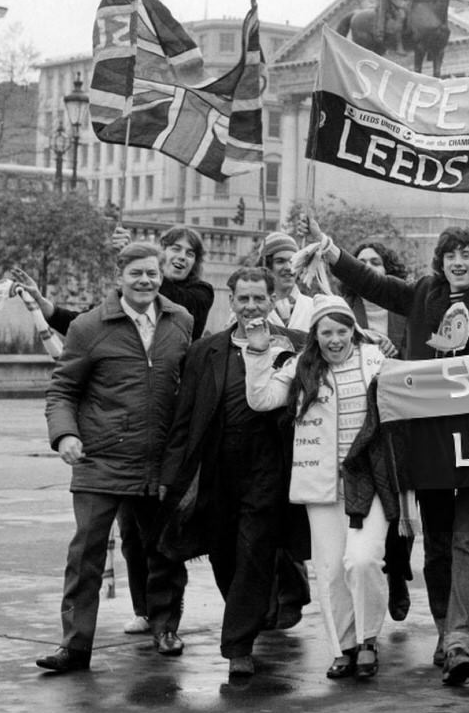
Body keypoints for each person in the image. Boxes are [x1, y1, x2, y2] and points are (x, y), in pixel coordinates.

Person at [319, 209, 469, 684]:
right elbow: (376, 285)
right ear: (439, 262)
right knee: (438, 545)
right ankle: (445, 632)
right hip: (432, 441)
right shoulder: (422, 294)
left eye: (466, 254)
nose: (458, 261)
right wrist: (333, 252)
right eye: (450, 255)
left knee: (468, 541)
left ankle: (461, 642)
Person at [36, 241, 191, 672]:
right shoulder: (90, 326)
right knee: (85, 554)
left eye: (152, 274)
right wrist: (65, 435)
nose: (145, 281)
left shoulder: (181, 321)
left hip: (159, 461)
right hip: (100, 459)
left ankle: (165, 629)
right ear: (118, 277)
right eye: (136, 274)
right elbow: (63, 390)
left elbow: (188, 384)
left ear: (162, 277)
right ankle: (75, 645)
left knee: (163, 551)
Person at [244, 295, 395, 681]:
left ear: (352, 331)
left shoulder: (377, 360)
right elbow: (260, 399)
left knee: (361, 561)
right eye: (326, 332)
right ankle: (343, 647)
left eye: (342, 331)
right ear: (315, 334)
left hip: (370, 481)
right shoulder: (300, 368)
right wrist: (258, 354)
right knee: (329, 571)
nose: (334, 339)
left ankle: (368, 639)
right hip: (321, 482)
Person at [157, 265, 298, 680]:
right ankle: (256, 610)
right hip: (217, 466)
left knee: (254, 550)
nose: (252, 306)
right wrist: (171, 473)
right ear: (231, 300)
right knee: (223, 553)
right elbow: (184, 419)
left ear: (273, 301)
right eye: (244, 298)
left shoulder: (294, 347)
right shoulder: (206, 351)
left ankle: (238, 646)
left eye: (260, 298)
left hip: (269, 466)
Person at [342, 239, 414, 625]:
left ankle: (398, 574)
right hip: (360, 424)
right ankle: (386, 577)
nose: (369, 267)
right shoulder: (346, 312)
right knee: (373, 509)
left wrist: (395, 356)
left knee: (403, 510)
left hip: (402, 422)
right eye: (362, 262)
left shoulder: (406, 308)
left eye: (376, 261)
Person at [260, 232, 314, 334]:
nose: (288, 268)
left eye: (292, 261)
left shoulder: (313, 307)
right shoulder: (253, 307)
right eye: (280, 261)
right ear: (267, 265)